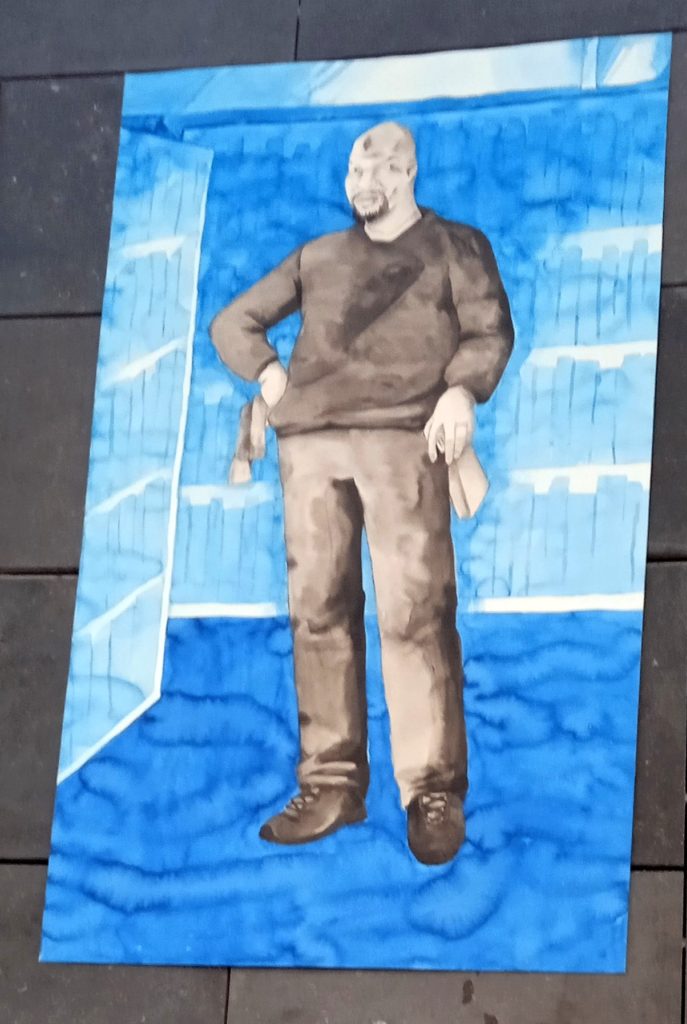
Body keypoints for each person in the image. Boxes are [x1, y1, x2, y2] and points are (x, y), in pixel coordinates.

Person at [210, 121, 514, 865]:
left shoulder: (457, 246)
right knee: (317, 613)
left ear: (408, 173)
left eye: (377, 169)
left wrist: (460, 392)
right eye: (353, 170)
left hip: (404, 444)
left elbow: (488, 333)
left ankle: (432, 791)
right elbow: (232, 322)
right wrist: (270, 374)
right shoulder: (318, 256)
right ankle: (331, 784)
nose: (361, 184)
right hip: (308, 450)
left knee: (416, 615)